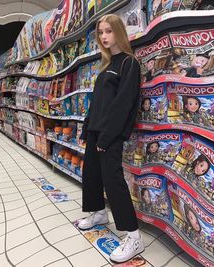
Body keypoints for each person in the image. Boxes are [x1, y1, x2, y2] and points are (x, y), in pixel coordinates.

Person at [77, 14, 144, 263]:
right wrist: (87, 128)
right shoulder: (106, 64)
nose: (104, 37)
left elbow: (123, 105)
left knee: (113, 181)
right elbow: (97, 103)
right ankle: (98, 214)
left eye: (109, 31)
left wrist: (107, 136)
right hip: (97, 131)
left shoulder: (129, 63)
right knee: (91, 174)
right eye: (101, 33)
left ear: (119, 32)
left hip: (111, 134)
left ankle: (134, 236)